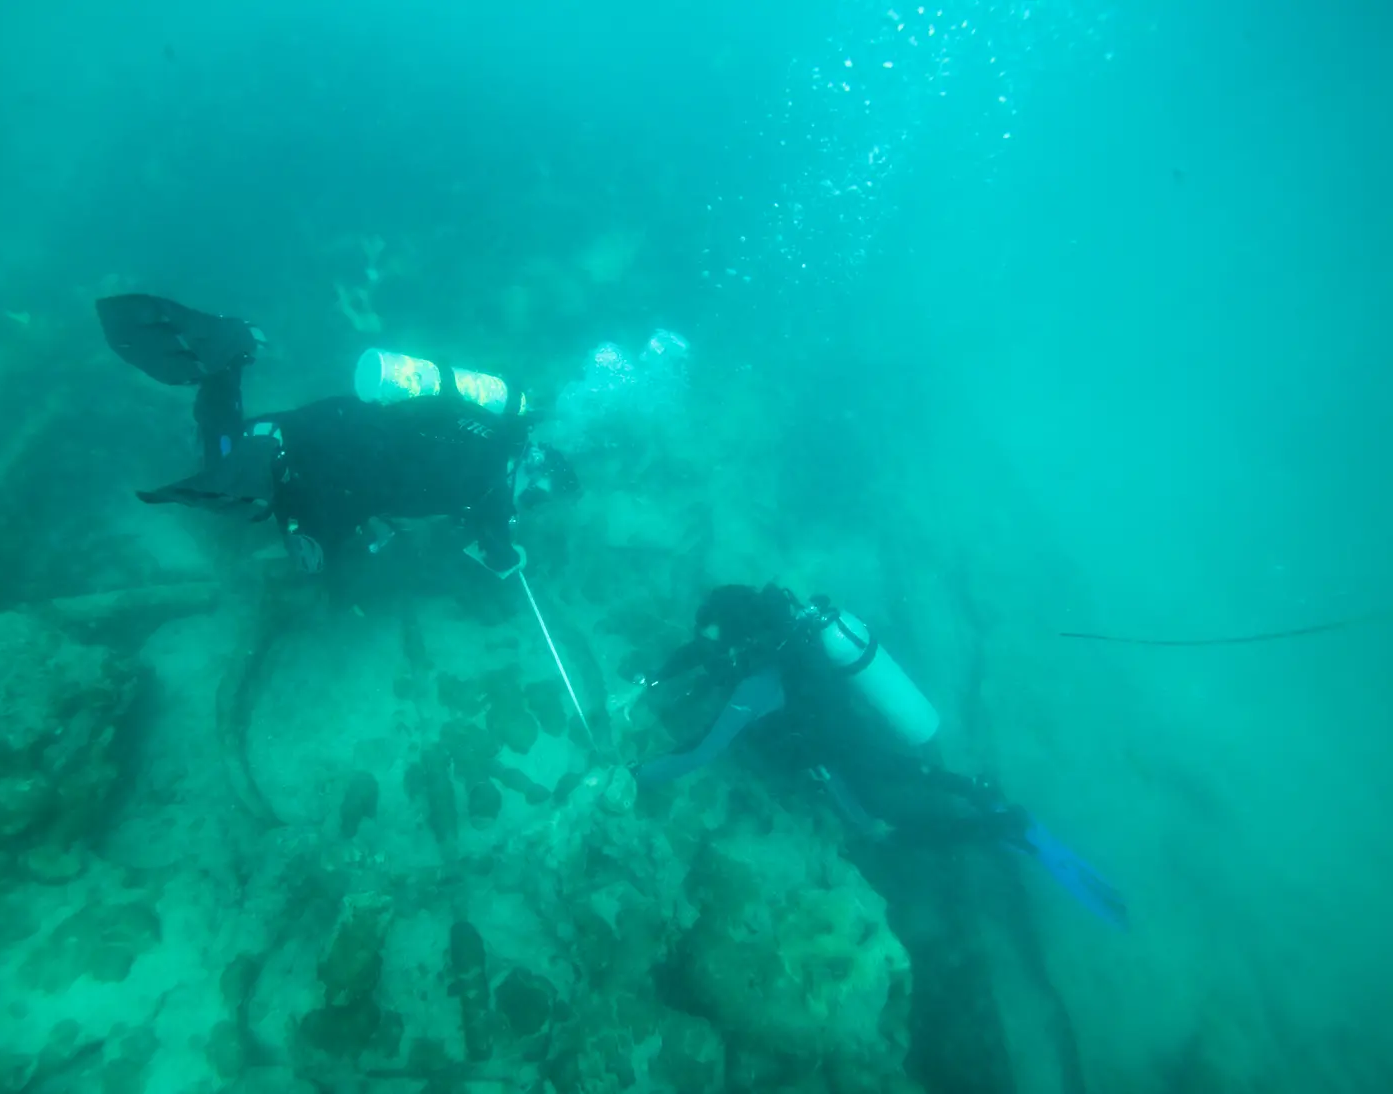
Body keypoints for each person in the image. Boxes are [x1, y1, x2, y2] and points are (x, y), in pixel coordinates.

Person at [627, 582, 1129, 928]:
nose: (713, 650)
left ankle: (1000, 828)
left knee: (877, 828)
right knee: (884, 761)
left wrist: (633, 776)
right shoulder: (782, 635)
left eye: (719, 641)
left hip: (826, 748)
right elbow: (702, 650)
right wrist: (648, 680)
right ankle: (972, 788)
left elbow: (703, 750)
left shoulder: (758, 683)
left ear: (737, 634)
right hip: (845, 722)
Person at [93, 294, 577, 577]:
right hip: (340, 460)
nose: (525, 507)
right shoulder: (494, 476)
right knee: (242, 476)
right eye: (534, 500)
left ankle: (244, 393)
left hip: (342, 434)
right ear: (531, 469)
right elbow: (493, 542)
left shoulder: (490, 445)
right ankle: (250, 403)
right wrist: (507, 556)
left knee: (246, 465)